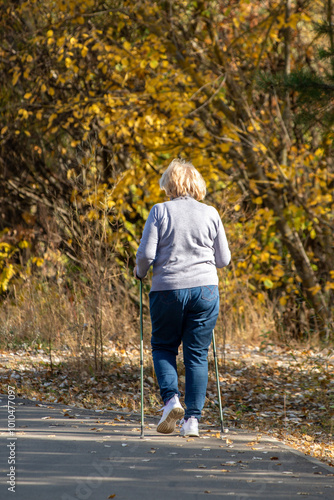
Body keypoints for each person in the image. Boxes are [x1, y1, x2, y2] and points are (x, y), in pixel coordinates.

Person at [134, 158, 231, 437]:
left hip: (168, 290)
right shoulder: (211, 213)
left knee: (164, 346)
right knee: (197, 356)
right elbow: (223, 259)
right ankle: (192, 422)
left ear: (170, 185)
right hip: (206, 291)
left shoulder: (159, 211)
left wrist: (139, 272)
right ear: (196, 185)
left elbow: (146, 256)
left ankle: (171, 401)